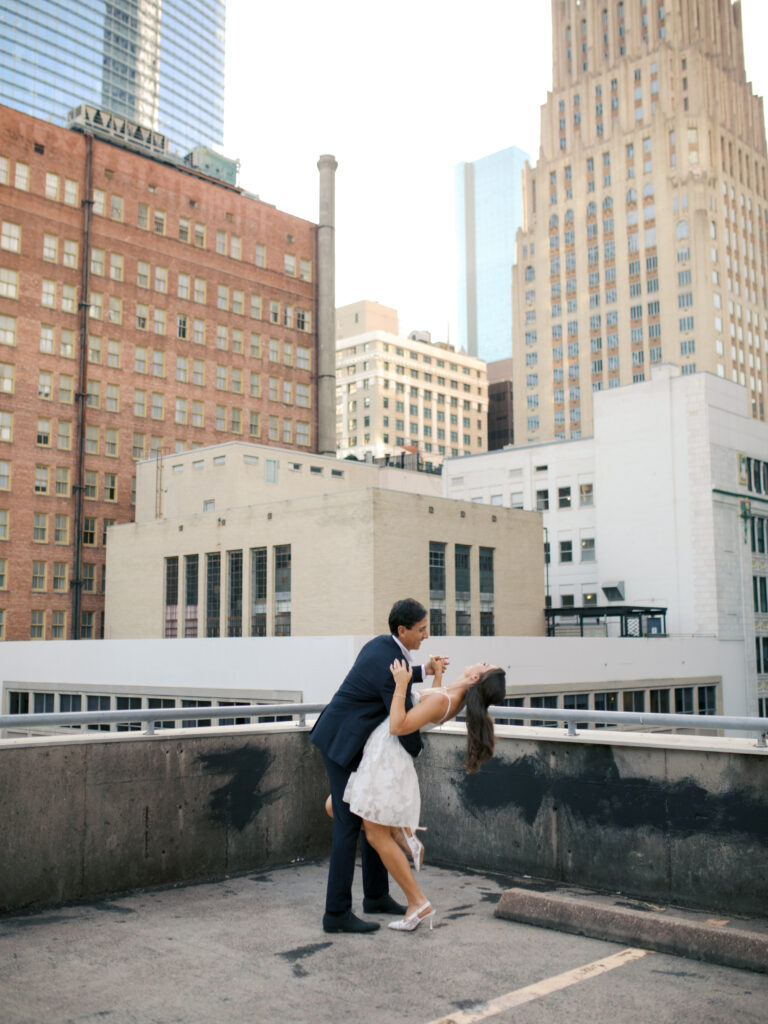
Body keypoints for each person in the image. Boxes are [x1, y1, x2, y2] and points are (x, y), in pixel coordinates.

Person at [310, 598, 448, 934]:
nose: (426, 635)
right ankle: (336, 914)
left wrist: (426, 671)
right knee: (347, 824)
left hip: (352, 741)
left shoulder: (385, 647)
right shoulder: (389, 658)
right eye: (421, 630)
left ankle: (376, 896)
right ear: (403, 630)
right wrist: (417, 750)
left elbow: (395, 675)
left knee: (375, 812)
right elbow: (402, 723)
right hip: (341, 744)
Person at [343, 658, 507, 932]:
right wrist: (438, 675)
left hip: (386, 758)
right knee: (335, 808)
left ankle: (417, 901)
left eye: (485, 664)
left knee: (374, 834)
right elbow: (430, 703)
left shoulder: (447, 700)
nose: (479, 661)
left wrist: (400, 684)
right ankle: (400, 832)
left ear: (478, 678)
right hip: (381, 755)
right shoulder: (455, 695)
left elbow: (398, 725)